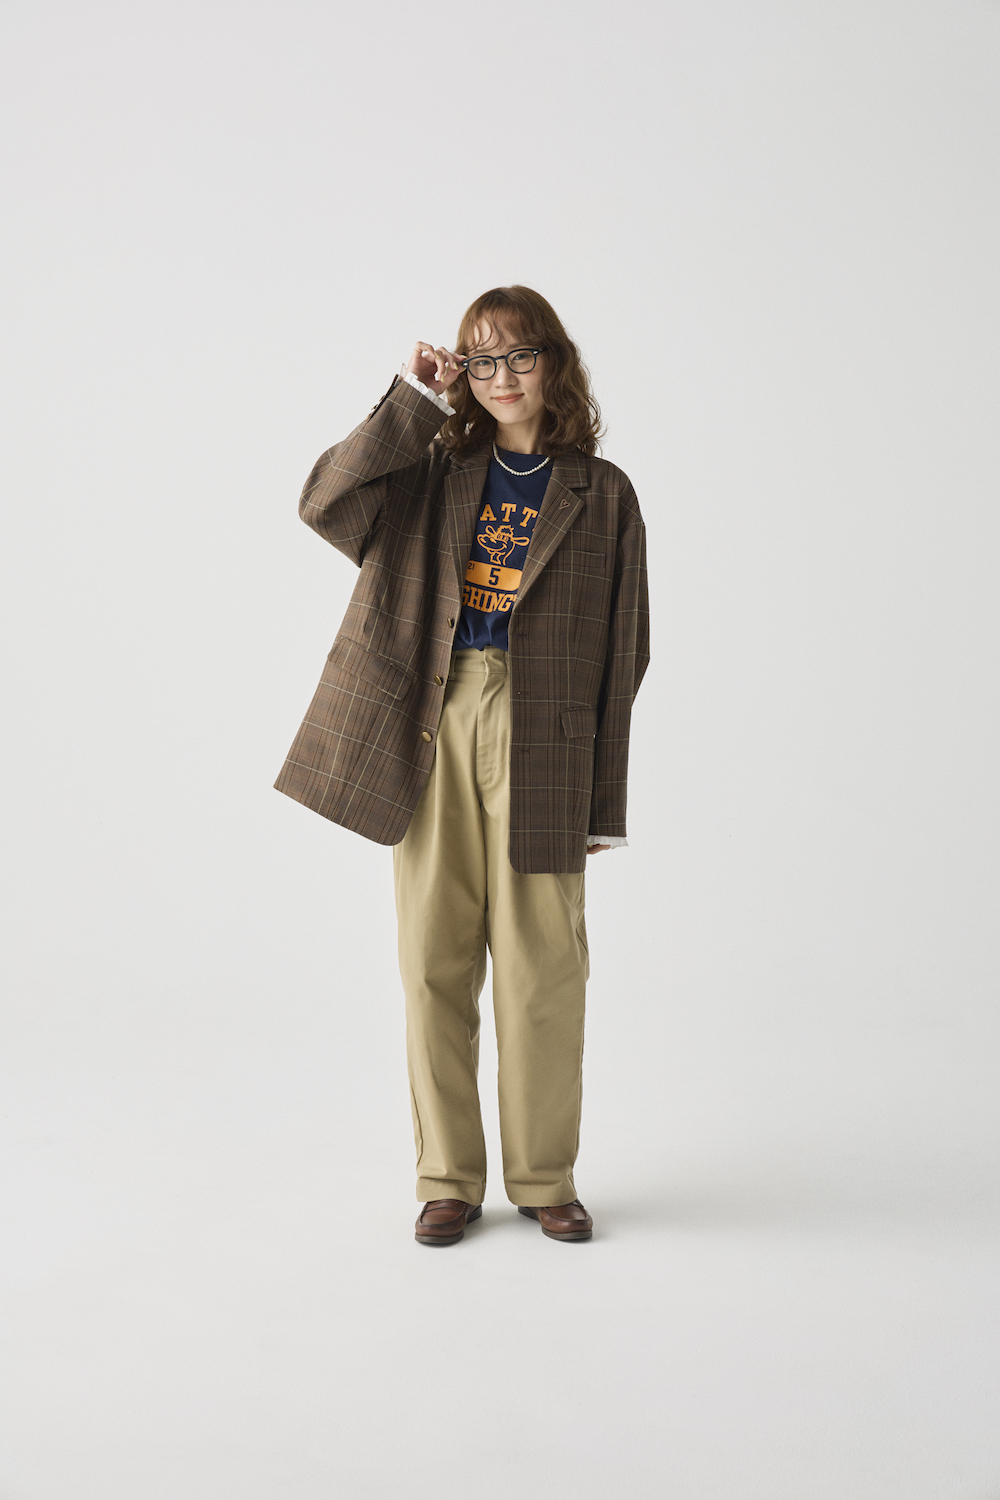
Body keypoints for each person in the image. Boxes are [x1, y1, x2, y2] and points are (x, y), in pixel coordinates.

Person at [275, 286, 649, 1245]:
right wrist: (414, 397)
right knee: (433, 960)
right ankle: (447, 1178)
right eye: (482, 359)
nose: (502, 376)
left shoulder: (603, 492)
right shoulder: (436, 470)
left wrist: (603, 804)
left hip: (546, 730)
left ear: (554, 363)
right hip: (434, 717)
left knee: (543, 967)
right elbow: (323, 502)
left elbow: (625, 655)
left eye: (519, 355)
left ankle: (544, 1176)